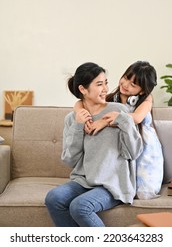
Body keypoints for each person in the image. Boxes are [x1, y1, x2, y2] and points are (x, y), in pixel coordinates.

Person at [45, 62, 143, 227]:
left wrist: (122, 121)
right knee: (53, 198)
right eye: (99, 84)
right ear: (83, 89)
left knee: (80, 206)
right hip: (83, 181)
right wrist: (78, 126)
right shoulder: (72, 118)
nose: (105, 88)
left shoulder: (118, 111)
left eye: (105, 83)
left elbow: (133, 152)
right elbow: (69, 159)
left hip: (113, 183)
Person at [74, 61, 164, 199]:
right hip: (121, 146)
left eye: (133, 84)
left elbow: (137, 117)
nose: (125, 84)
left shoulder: (146, 99)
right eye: (126, 78)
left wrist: (105, 121)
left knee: (142, 189)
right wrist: (80, 111)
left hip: (143, 146)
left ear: (142, 90)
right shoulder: (111, 98)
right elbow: (82, 101)